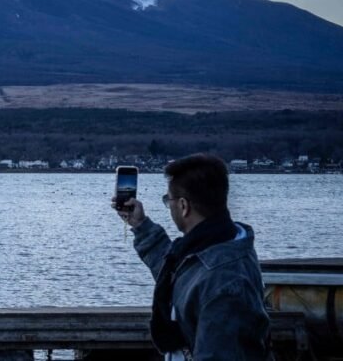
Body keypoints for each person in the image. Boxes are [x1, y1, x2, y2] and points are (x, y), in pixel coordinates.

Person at [113, 154, 271, 360]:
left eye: (167, 200)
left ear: (183, 206)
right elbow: (179, 275)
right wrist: (141, 226)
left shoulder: (224, 282)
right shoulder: (221, 245)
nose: (168, 206)